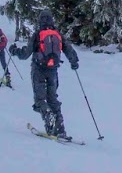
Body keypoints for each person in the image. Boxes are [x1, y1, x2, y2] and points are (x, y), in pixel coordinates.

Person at [11, 11, 78, 139]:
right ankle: (60, 129)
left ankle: (48, 117)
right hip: (53, 70)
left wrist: (14, 51)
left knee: (39, 100)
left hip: (38, 70)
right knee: (53, 99)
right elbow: (68, 49)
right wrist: (74, 62)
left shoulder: (37, 35)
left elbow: (25, 54)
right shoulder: (57, 34)